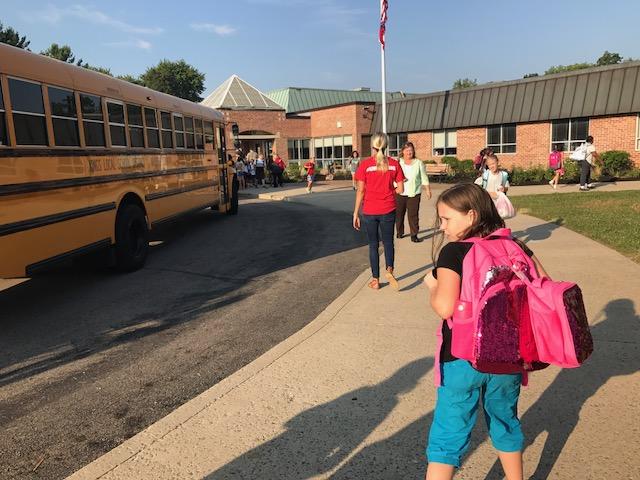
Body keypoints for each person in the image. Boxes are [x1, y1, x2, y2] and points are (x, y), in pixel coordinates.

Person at [423, 183, 549, 480]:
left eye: (446, 219)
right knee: (505, 419)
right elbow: (543, 285)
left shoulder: (454, 252)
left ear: (471, 215)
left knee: (449, 434)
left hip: (461, 357)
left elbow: (444, 307)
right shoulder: (517, 246)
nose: (442, 227)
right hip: (508, 356)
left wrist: (432, 287)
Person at [353, 133, 405, 290]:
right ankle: (389, 269)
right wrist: (389, 192)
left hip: (369, 210)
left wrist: (355, 212)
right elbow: (401, 189)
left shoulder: (365, 165)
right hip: (388, 209)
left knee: (373, 245)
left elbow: (360, 191)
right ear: (387, 145)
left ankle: (375, 280)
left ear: (372, 146)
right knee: (388, 242)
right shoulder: (394, 164)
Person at [395, 141, 431, 243]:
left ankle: (414, 235)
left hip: (414, 193)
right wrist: (397, 183)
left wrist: (428, 190)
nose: (409, 152)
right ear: (403, 151)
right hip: (400, 193)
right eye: (407, 150)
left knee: (413, 215)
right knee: (399, 214)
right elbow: (393, 176)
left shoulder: (418, 163)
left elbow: (424, 177)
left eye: (411, 150)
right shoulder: (398, 162)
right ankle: (399, 232)